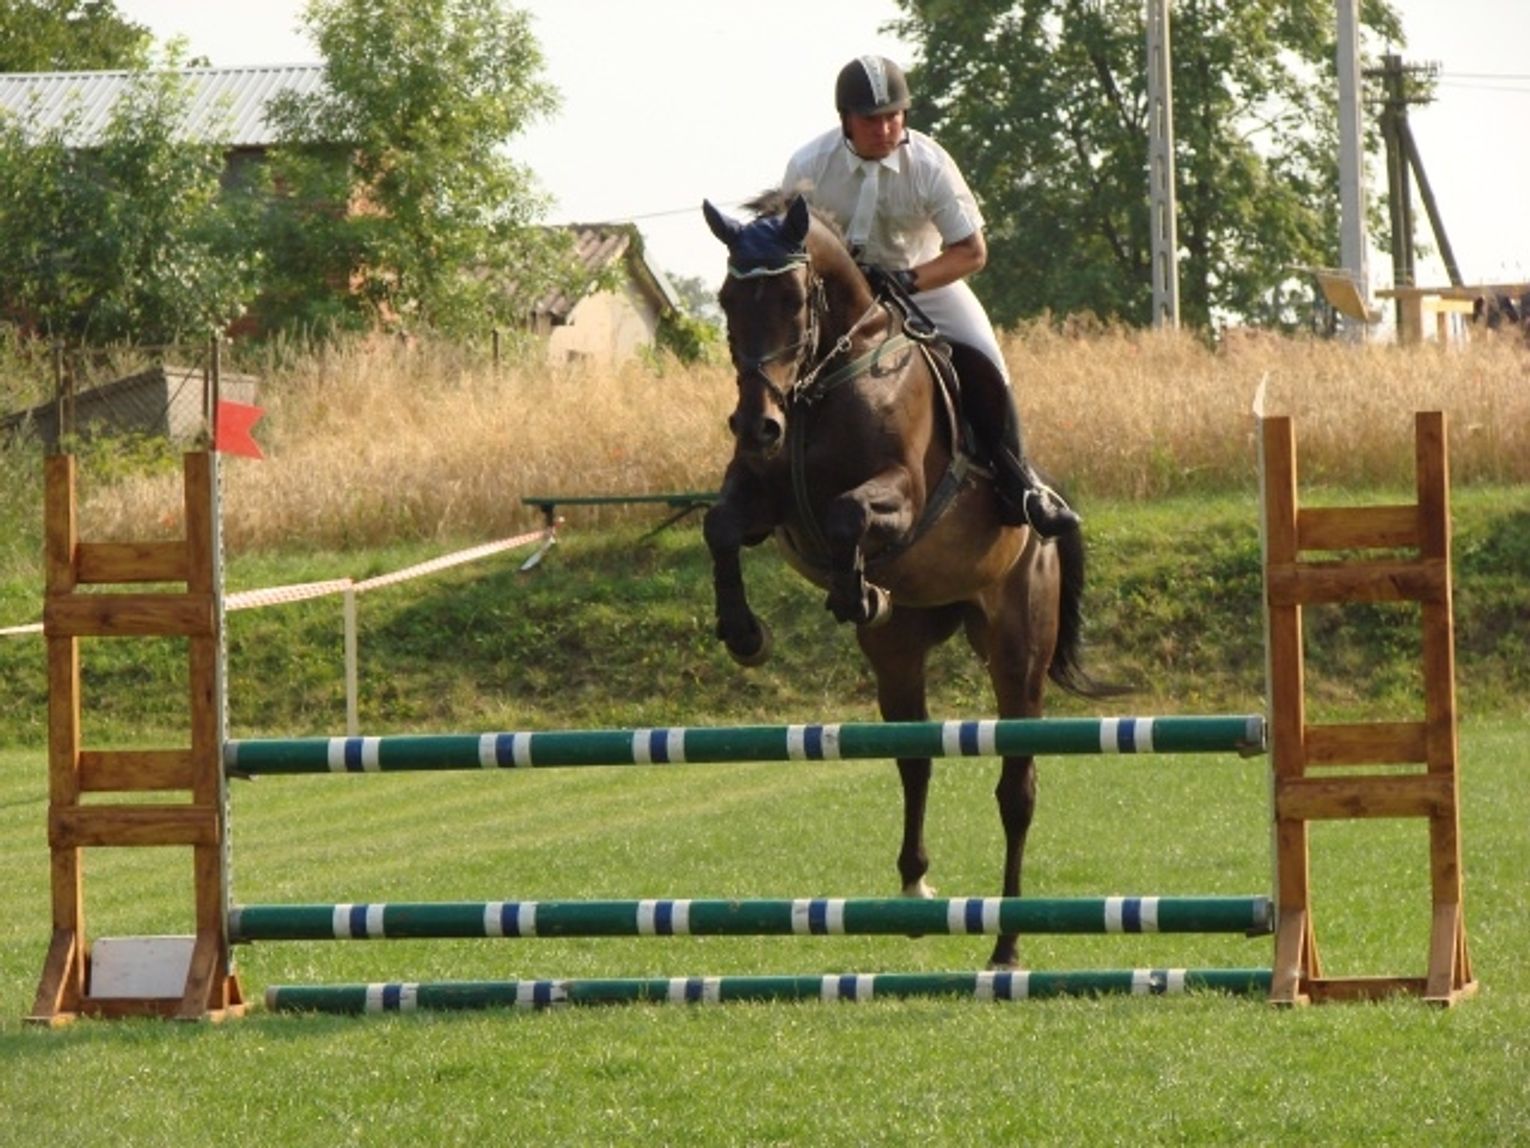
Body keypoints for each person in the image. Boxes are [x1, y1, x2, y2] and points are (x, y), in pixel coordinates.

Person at [781, 54, 1080, 536]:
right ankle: (765, 474)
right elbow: (789, 248)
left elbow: (972, 252)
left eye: (893, 116)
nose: (884, 129)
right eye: (871, 119)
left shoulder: (929, 164)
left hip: (923, 282)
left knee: (986, 355)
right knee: (779, 355)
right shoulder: (808, 167)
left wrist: (908, 281)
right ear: (846, 120)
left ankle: (1020, 481)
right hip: (838, 295)